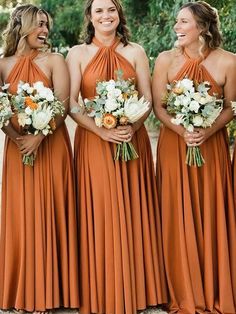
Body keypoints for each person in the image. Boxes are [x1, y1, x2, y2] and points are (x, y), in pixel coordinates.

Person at [66, 0, 168, 313]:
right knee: (101, 208)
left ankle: (137, 287)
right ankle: (100, 287)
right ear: (90, 17)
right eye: (99, 11)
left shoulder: (136, 50)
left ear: (119, 14)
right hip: (95, 141)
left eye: (111, 9)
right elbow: (71, 103)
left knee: (132, 207)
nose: (106, 16)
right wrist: (103, 132)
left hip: (130, 140)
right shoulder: (76, 54)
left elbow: (148, 99)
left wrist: (131, 126)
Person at [152, 1, 236, 313]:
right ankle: (182, 288)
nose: (176, 27)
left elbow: (230, 107)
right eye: (177, 21)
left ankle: (215, 286)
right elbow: (160, 106)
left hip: (211, 147)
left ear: (202, 27)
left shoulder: (229, 62)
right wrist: (181, 130)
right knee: (176, 212)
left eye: (183, 22)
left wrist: (207, 131)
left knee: (211, 209)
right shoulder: (164, 60)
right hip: (175, 145)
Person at [0, 4, 79, 312]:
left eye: (47, 25)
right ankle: (24, 287)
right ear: (21, 26)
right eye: (39, 25)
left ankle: (55, 290)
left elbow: (62, 104)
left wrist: (40, 135)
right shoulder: (3, 64)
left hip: (52, 145)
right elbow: (2, 109)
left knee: (53, 208)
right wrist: (17, 137)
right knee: (22, 214)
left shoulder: (55, 60)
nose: (45, 30)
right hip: (18, 147)